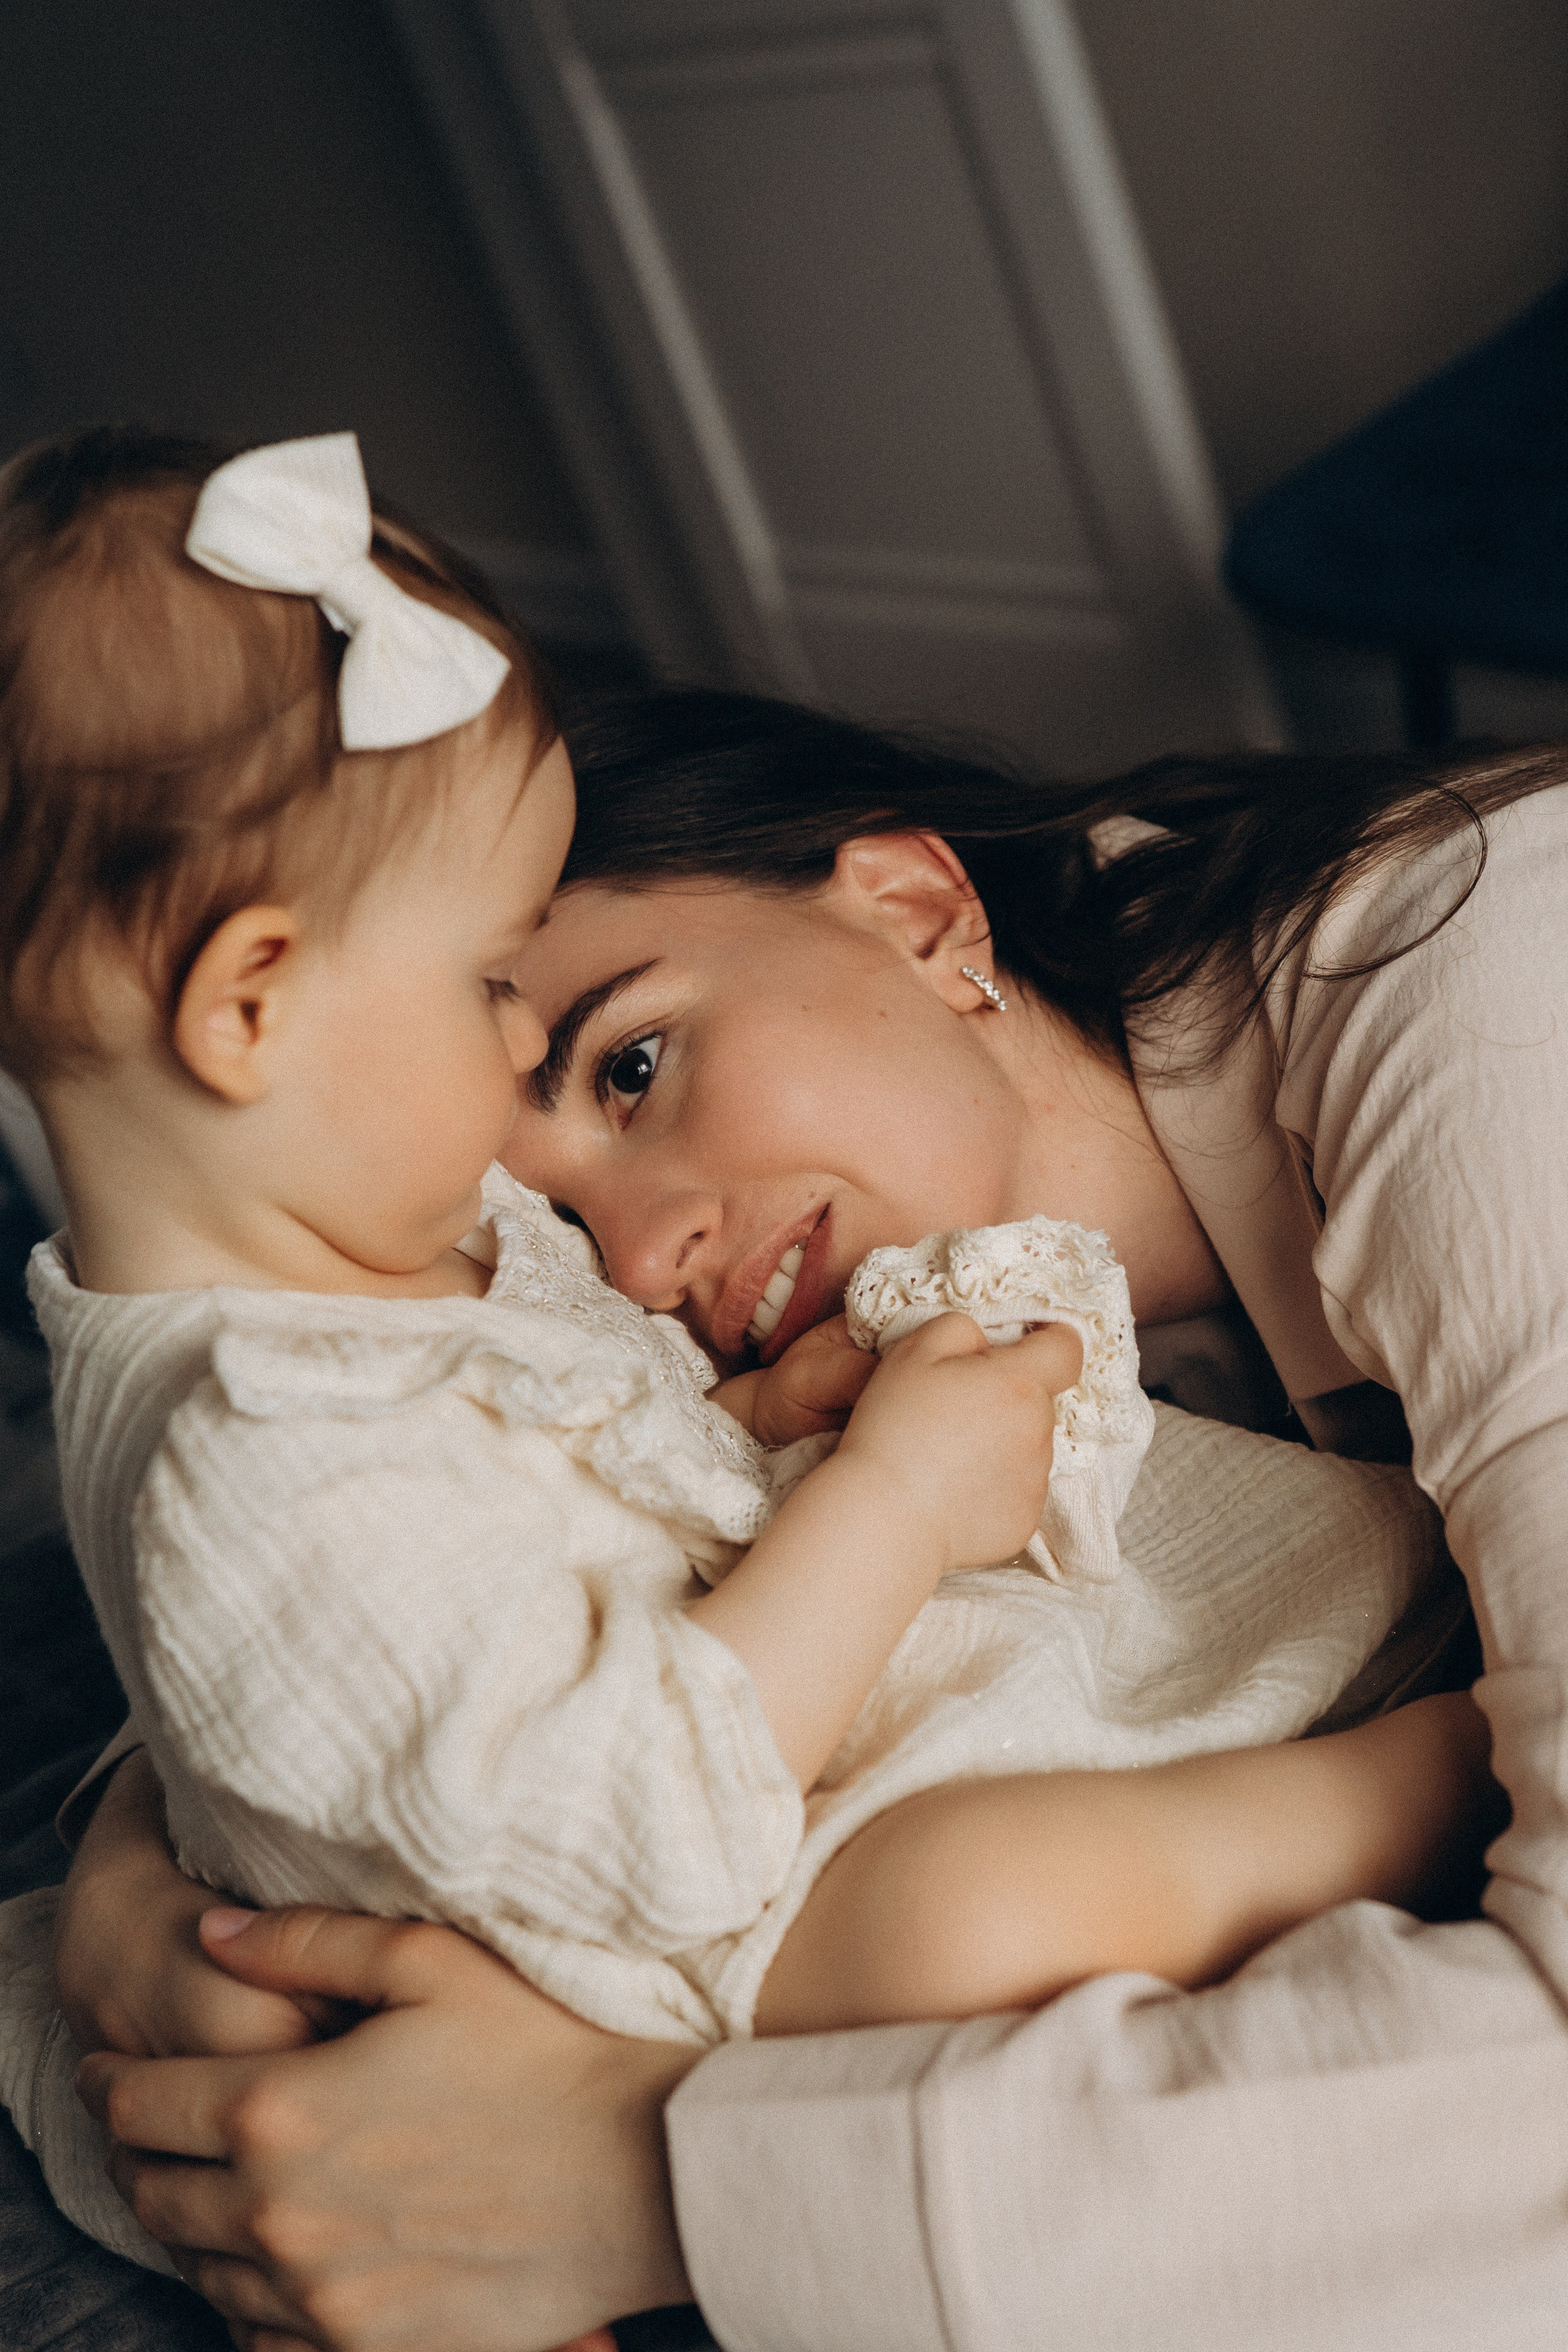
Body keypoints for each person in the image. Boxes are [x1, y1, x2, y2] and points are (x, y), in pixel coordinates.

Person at [0, 435, 1487, 2343]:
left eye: (624, 1063)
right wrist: (146, 1875)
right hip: (681, 1884)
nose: (632, 1269)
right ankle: (1456, 1772)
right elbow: (361, 1613)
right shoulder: (267, 1403)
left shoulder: (1460, 1022)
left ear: (921, 907)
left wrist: (777, 1438)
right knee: (957, 1915)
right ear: (249, 1009)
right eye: (485, 1002)